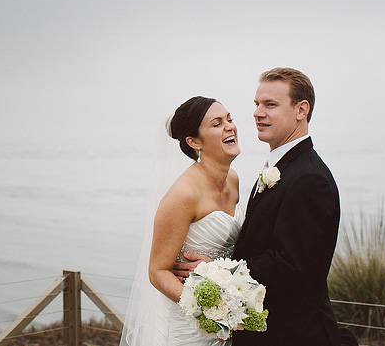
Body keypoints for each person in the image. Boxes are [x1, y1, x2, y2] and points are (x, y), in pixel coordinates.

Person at [175, 68, 356, 346]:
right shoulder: (283, 167)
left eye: (270, 105)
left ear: (301, 110)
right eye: (257, 104)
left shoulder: (309, 179)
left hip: (292, 335)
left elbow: (291, 267)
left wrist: (221, 273)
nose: (258, 113)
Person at [121, 95, 243, 346]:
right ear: (194, 141)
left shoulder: (233, 180)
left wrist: (227, 282)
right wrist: (207, 309)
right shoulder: (184, 194)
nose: (230, 126)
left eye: (229, 119)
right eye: (217, 123)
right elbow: (157, 272)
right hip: (183, 328)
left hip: (222, 321)